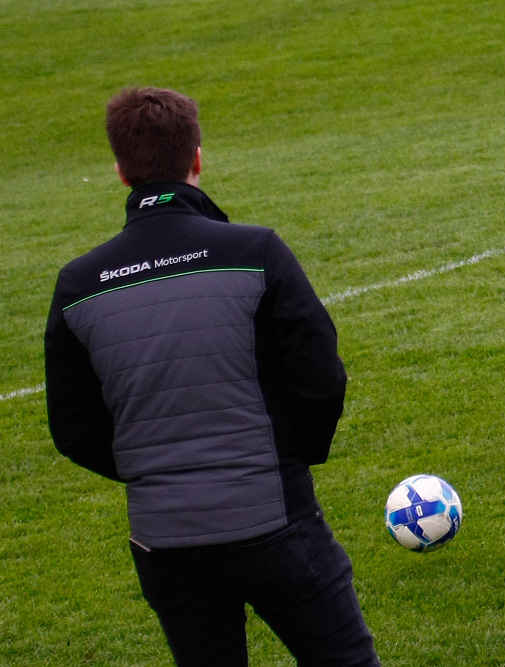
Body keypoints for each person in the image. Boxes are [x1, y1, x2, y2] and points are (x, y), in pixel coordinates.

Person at [44, 87, 380, 666]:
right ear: (197, 157)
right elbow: (321, 376)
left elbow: (74, 430)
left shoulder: (78, 284)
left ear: (121, 172)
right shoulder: (255, 250)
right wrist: (286, 458)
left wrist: (159, 468)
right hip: (273, 517)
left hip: (165, 541)